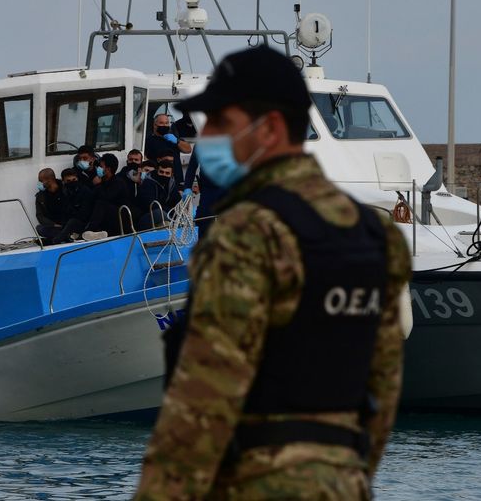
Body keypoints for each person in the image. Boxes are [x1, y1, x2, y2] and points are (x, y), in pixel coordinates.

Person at [134, 46, 411, 500]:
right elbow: (382, 390)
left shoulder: (246, 236)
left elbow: (199, 405)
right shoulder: (374, 236)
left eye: (225, 123)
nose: (213, 139)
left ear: (272, 128)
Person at [83, 153, 133, 237]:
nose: (98, 169)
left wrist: (98, 185)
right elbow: (91, 197)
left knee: (101, 204)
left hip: (119, 217)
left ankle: (90, 230)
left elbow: (106, 198)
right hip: (106, 218)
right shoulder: (102, 181)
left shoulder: (118, 182)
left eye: (101, 167)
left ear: (108, 169)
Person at [145, 112, 193, 188]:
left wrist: (177, 141)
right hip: (158, 178)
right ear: (155, 125)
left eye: (166, 123)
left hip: (176, 179)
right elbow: (145, 158)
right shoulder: (148, 140)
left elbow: (188, 149)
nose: (164, 125)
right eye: (161, 123)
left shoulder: (173, 138)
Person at [136, 159, 181, 230]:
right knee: (160, 214)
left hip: (166, 215)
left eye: (167, 173)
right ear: (157, 171)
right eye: (161, 172)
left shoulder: (171, 184)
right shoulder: (148, 183)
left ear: (171, 174)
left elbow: (178, 201)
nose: (164, 175)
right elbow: (151, 205)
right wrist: (171, 212)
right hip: (147, 216)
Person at [35, 167, 69, 244]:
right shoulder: (40, 196)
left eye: (40, 181)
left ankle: (59, 238)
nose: (39, 184)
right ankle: (64, 237)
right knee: (40, 229)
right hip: (54, 227)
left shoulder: (65, 189)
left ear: (49, 180)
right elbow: (39, 215)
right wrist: (53, 224)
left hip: (68, 223)